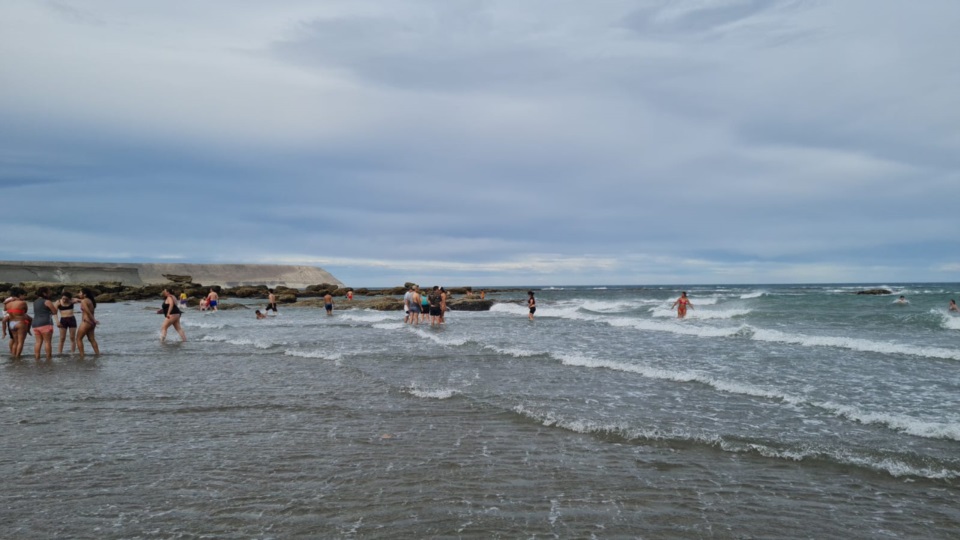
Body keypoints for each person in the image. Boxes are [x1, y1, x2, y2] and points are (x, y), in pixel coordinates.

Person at [31, 287, 60, 361]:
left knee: (38, 342)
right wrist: (56, 305)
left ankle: (37, 358)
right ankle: (48, 359)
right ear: (44, 293)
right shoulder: (47, 301)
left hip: (35, 324)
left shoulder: (35, 302)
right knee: (47, 342)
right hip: (45, 323)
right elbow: (54, 312)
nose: (50, 293)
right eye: (49, 291)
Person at [5, 288, 30, 359]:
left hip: (11, 323)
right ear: (19, 295)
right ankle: (17, 357)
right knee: (20, 342)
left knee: (15, 342)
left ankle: (13, 356)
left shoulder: (8, 303)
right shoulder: (22, 303)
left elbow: (6, 311)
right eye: (23, 295)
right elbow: (25, 311)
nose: (24, 297)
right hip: (20, 323)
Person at [76, 288, 101, 359]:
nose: (79, 294)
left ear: (85, 294)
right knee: (92, 339)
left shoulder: (84, 301)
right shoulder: (90, 300)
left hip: (86, 322)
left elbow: (88, 312)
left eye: (80, 293)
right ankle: (97, 354)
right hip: (91, 323)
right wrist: (93, 321)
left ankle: (82, 356)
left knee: (78, 339)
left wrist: (94, 320)